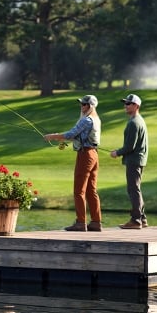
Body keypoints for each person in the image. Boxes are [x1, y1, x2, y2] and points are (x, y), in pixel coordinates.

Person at [44, 95, 102, 232]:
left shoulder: (87, 120)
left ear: (90, 106)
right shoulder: (96, 119)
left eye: (84, 104)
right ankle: (96, 222)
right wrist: (61, 137)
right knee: (91, 190)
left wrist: (51, 136)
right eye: (81, 104)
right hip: (94, 155)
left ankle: (80, 223)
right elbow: (76, 135)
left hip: (85, 155)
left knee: (79, 191)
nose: (81, 107)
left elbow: (70, 134)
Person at [110, 94, 149, 229]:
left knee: (133, 190)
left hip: (134, 160)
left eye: (128, 104)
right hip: (138, 159)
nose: (125, 106)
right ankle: (142, 219)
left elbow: (129, 147)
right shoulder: (138, 120)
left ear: (136, 106)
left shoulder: (134, 123)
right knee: (135, 189)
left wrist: (117, 153)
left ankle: (136, 220)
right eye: (125, 103)